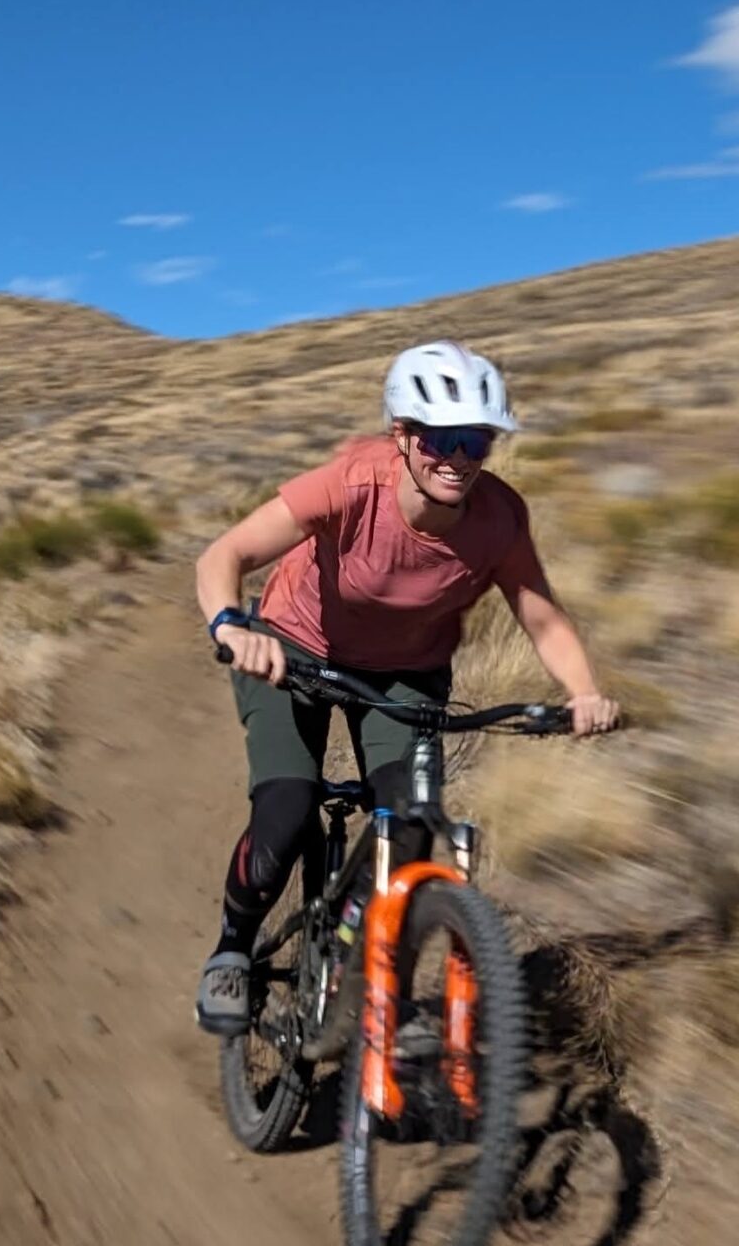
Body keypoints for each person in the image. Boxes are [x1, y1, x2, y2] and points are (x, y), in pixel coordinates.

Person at [190, 341, 621, 1035]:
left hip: (405, 674)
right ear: (403, 434)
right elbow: (225, 555)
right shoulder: (352, 483)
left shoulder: (499, 518)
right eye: (441, 438)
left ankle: (368, 979)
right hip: (291, 650)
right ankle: (232, 949)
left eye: (476, 439)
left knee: (413, 824)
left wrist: (583, 692)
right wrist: (233, 625)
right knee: (286, 814)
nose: (458, 458)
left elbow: (540, 615)